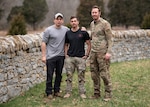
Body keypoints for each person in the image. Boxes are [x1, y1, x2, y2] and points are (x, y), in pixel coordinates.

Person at [41, 13, 69, 99]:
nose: (59, 21)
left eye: (60, 19)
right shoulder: (48, 30)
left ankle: (57, 91)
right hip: (50, 56)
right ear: (54, 20)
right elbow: (43, 43)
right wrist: (43, 56)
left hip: (61, 56)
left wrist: (82, 30)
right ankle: (49, 92)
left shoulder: (66, 30)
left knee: (59, 74)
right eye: (57, 19)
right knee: (50, 75)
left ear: (62, 21)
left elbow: (73, 33)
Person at [63, 16, 91, 99]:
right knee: (69, 76)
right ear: (70, 23)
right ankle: (68, 92)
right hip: (70, 58)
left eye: (75, 21)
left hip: (80, 58)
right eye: (72, 21)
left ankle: (82, 92)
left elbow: (89, 44)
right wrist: (66, 54)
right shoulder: (68, 33)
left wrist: (86, 55)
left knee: (81, 76)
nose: (73, 23)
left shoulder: (83, 32)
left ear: (78, 22)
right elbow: (66, 44)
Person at [90, 5, 113, 101]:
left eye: (95, 12)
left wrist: (108, 52)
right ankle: (96, 93)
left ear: (99, 13)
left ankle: (108, 93)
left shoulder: (105, 24)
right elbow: (93, 37)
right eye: (92, 12)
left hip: (103, 53)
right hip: (93, 52)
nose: (94, 14)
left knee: (104, 74)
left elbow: (110, 39)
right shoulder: (92, 24)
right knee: (94, 74)